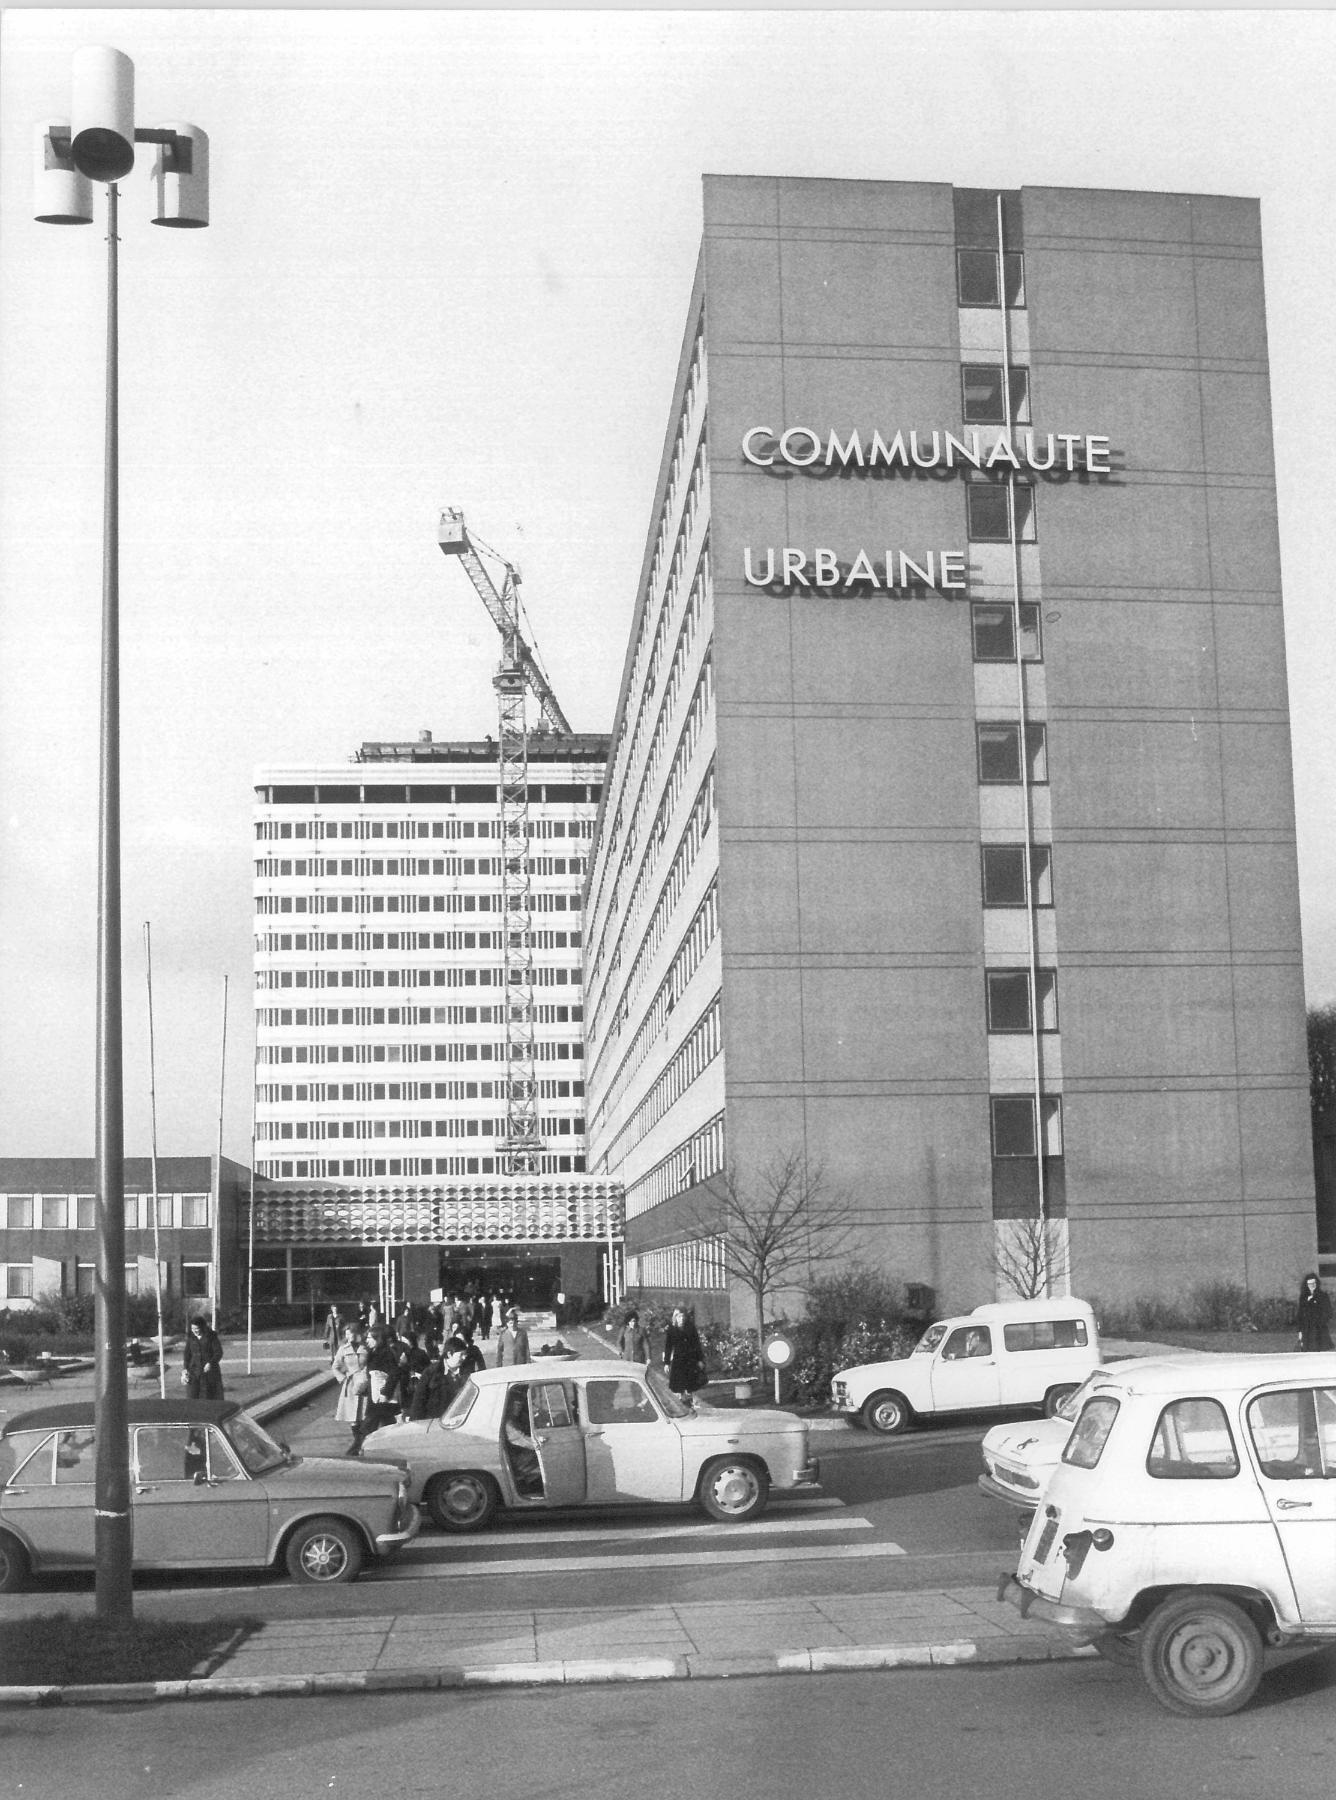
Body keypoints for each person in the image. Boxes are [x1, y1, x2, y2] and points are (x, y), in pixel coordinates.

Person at [333, 1336, 371, 1456]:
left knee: (365, 1415)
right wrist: (343, 1378)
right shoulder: (343, 1349)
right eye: (349, 1333)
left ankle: (360, 1444)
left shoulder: (366, 1348)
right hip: (350, 1386)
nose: (352, 1336)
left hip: (365, 1383)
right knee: (353, 1416)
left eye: (354, 1333)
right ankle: (357, 1442)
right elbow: (335, 1367)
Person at [663, 1304, 705, 1403]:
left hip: (690, 1360)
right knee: (679, 1384)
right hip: (678, 1360)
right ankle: (681, 1400)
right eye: (679, 1316)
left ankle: (691, 1399)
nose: (681, 1319)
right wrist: (667, 1363)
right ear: (675, 1317)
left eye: (683, 1316)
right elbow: (668, 1347)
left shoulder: (691, 1328)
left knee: (690, 1383)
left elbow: (697, 1345)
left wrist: (700, 1360)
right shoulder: (672, 1330)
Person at [181, 1315, 224, 1400]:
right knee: (192, 1396)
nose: (194, 1331)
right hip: (194, 1372)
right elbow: (187, 1355)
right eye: (192, 1329)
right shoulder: (191, 1338)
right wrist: (185, 1369)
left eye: (196, 1329)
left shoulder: (211, 1337)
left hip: (209, 1373)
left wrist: (211, 1363)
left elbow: (218, 1352)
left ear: (202, 1327)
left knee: (209, 1397)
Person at [1297, 1272, 1334, 1352]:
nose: (1312, 1285)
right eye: (1310, 1284)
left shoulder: (1323, 1296)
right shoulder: (1303, 1297)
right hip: (1307, 1330)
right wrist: (1300, 1331)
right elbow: (1300, 1315)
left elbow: (1328, 1312)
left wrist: (1321, 1321)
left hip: (1319, 1329)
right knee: (1307, 1351)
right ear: (1306, 1285)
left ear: (1317, 1283)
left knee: (1320, 1351)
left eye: (1314, 1283)